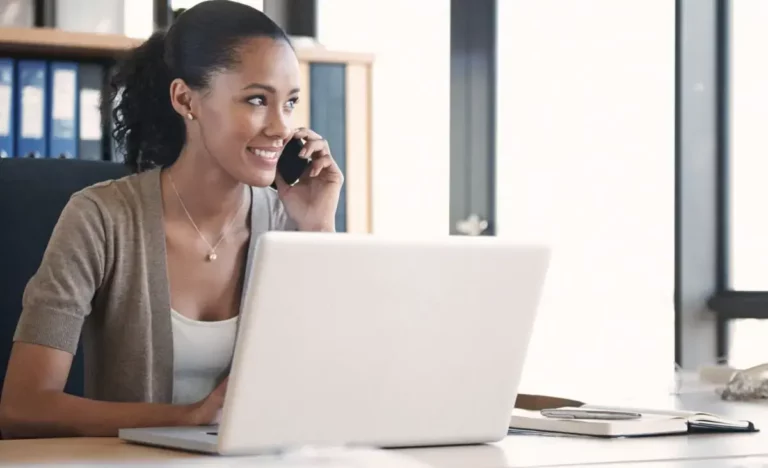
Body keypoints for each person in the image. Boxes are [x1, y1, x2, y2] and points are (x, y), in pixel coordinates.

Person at [0, 0, 342, 439]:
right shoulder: (101, 219)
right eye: (257, 99)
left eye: (290, 103)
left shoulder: (287, 220)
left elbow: (330, 388)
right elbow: (22, 406)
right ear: (185, 99)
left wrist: (316, 231)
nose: (281, 128)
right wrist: (189, 418)